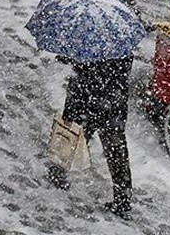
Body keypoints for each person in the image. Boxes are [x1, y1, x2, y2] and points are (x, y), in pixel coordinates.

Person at [47, 55, 134, 219]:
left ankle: (58, 172)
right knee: (116, 151)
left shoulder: (86, 36)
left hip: (85, 97)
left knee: (71, 134)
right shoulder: (123, 40)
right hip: (113, 103)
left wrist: (72, 59)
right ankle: (123, 199)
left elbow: (74, 61)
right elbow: (123, 72)